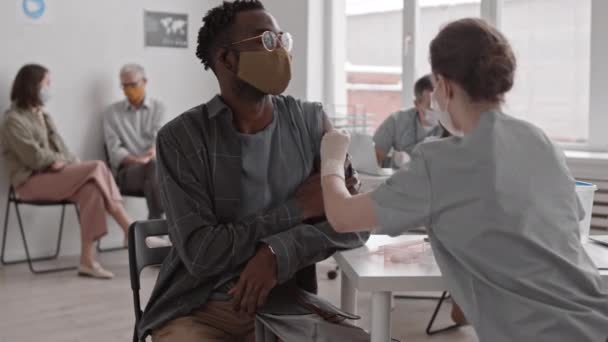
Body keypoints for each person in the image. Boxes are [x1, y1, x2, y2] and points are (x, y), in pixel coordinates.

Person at [319, 18, 608, 342]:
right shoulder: (538, 140)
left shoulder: (439, 161)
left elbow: (342, 217)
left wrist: (332, 157)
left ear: (445, 86)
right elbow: (566, 220)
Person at [138, 1, 369, 341]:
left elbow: (355, 221)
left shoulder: (310, 122)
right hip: (199, 310)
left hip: (285, 305)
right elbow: (202, 254)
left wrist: (276, 253)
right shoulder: (181, 140)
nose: (280, 52)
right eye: (265, 41)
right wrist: (299, 209)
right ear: (227, 59)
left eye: (281, 40)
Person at [0, 64, 132, 279]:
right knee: (97, 166)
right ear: (33, 86)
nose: (49, 88)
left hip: (53, 177)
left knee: (91, 190)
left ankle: (87, 262)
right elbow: (35, 158)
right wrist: (57, 161)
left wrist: (60, 162)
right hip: (29, 182)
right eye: (47, 84)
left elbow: (65, 153)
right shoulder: (12, 120)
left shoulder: (43, 115)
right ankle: (130, 229)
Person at [103, 63, 165, 220]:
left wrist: (151, 153)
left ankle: (154, 225)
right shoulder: (112, 113)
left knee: (153, 175)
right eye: (124, 86)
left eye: (133, 84)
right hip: (127, 174)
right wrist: (137, 160)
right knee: (157, 174)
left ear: (145, 82)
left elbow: (160, 140)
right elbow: (114, 150)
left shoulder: (158, 108)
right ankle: (161, 224)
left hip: (153, 170)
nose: (129, 89)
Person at [373, 74, 444, 168]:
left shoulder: (451, 126)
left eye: (440, 104)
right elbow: (375, 158)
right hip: (400, 178)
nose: (437, 110)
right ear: (417, 104)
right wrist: (393, 161)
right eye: (431, 105)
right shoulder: (397, 121)